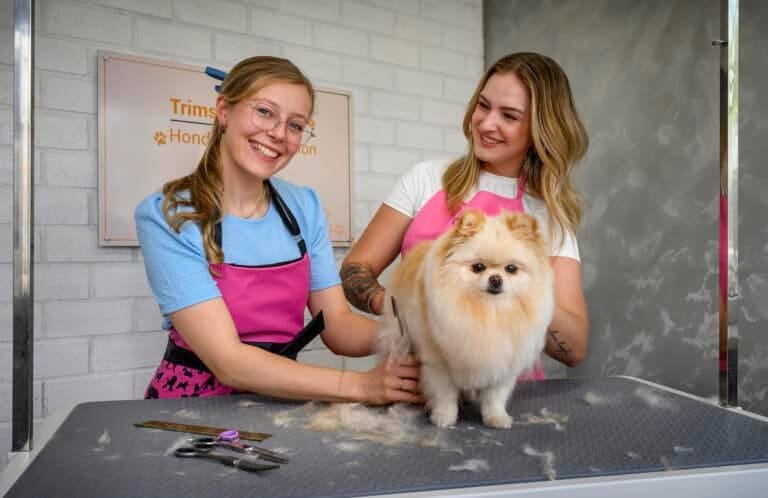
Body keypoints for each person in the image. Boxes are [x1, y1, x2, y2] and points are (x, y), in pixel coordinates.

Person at [135, 56, 421, 403]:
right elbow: (229, 363)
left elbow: (338, 326)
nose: (278, 134)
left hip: (281, 397)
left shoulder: (304, 207)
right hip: (191, 407)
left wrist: (414, 335)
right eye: (265, 112)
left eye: (296, 125)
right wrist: (360, 386)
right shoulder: (170, 216)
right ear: (224, 110)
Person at [341, 52, 589, 373]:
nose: (486, 124)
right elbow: (355, 268)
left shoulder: (546, 218)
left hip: (507, 396)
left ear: (541, 129)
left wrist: (521, 281)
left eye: (509, 116)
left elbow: (575, 348)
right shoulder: (426, 179)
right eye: (483, 105)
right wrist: (391, 304)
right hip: (420, 384)